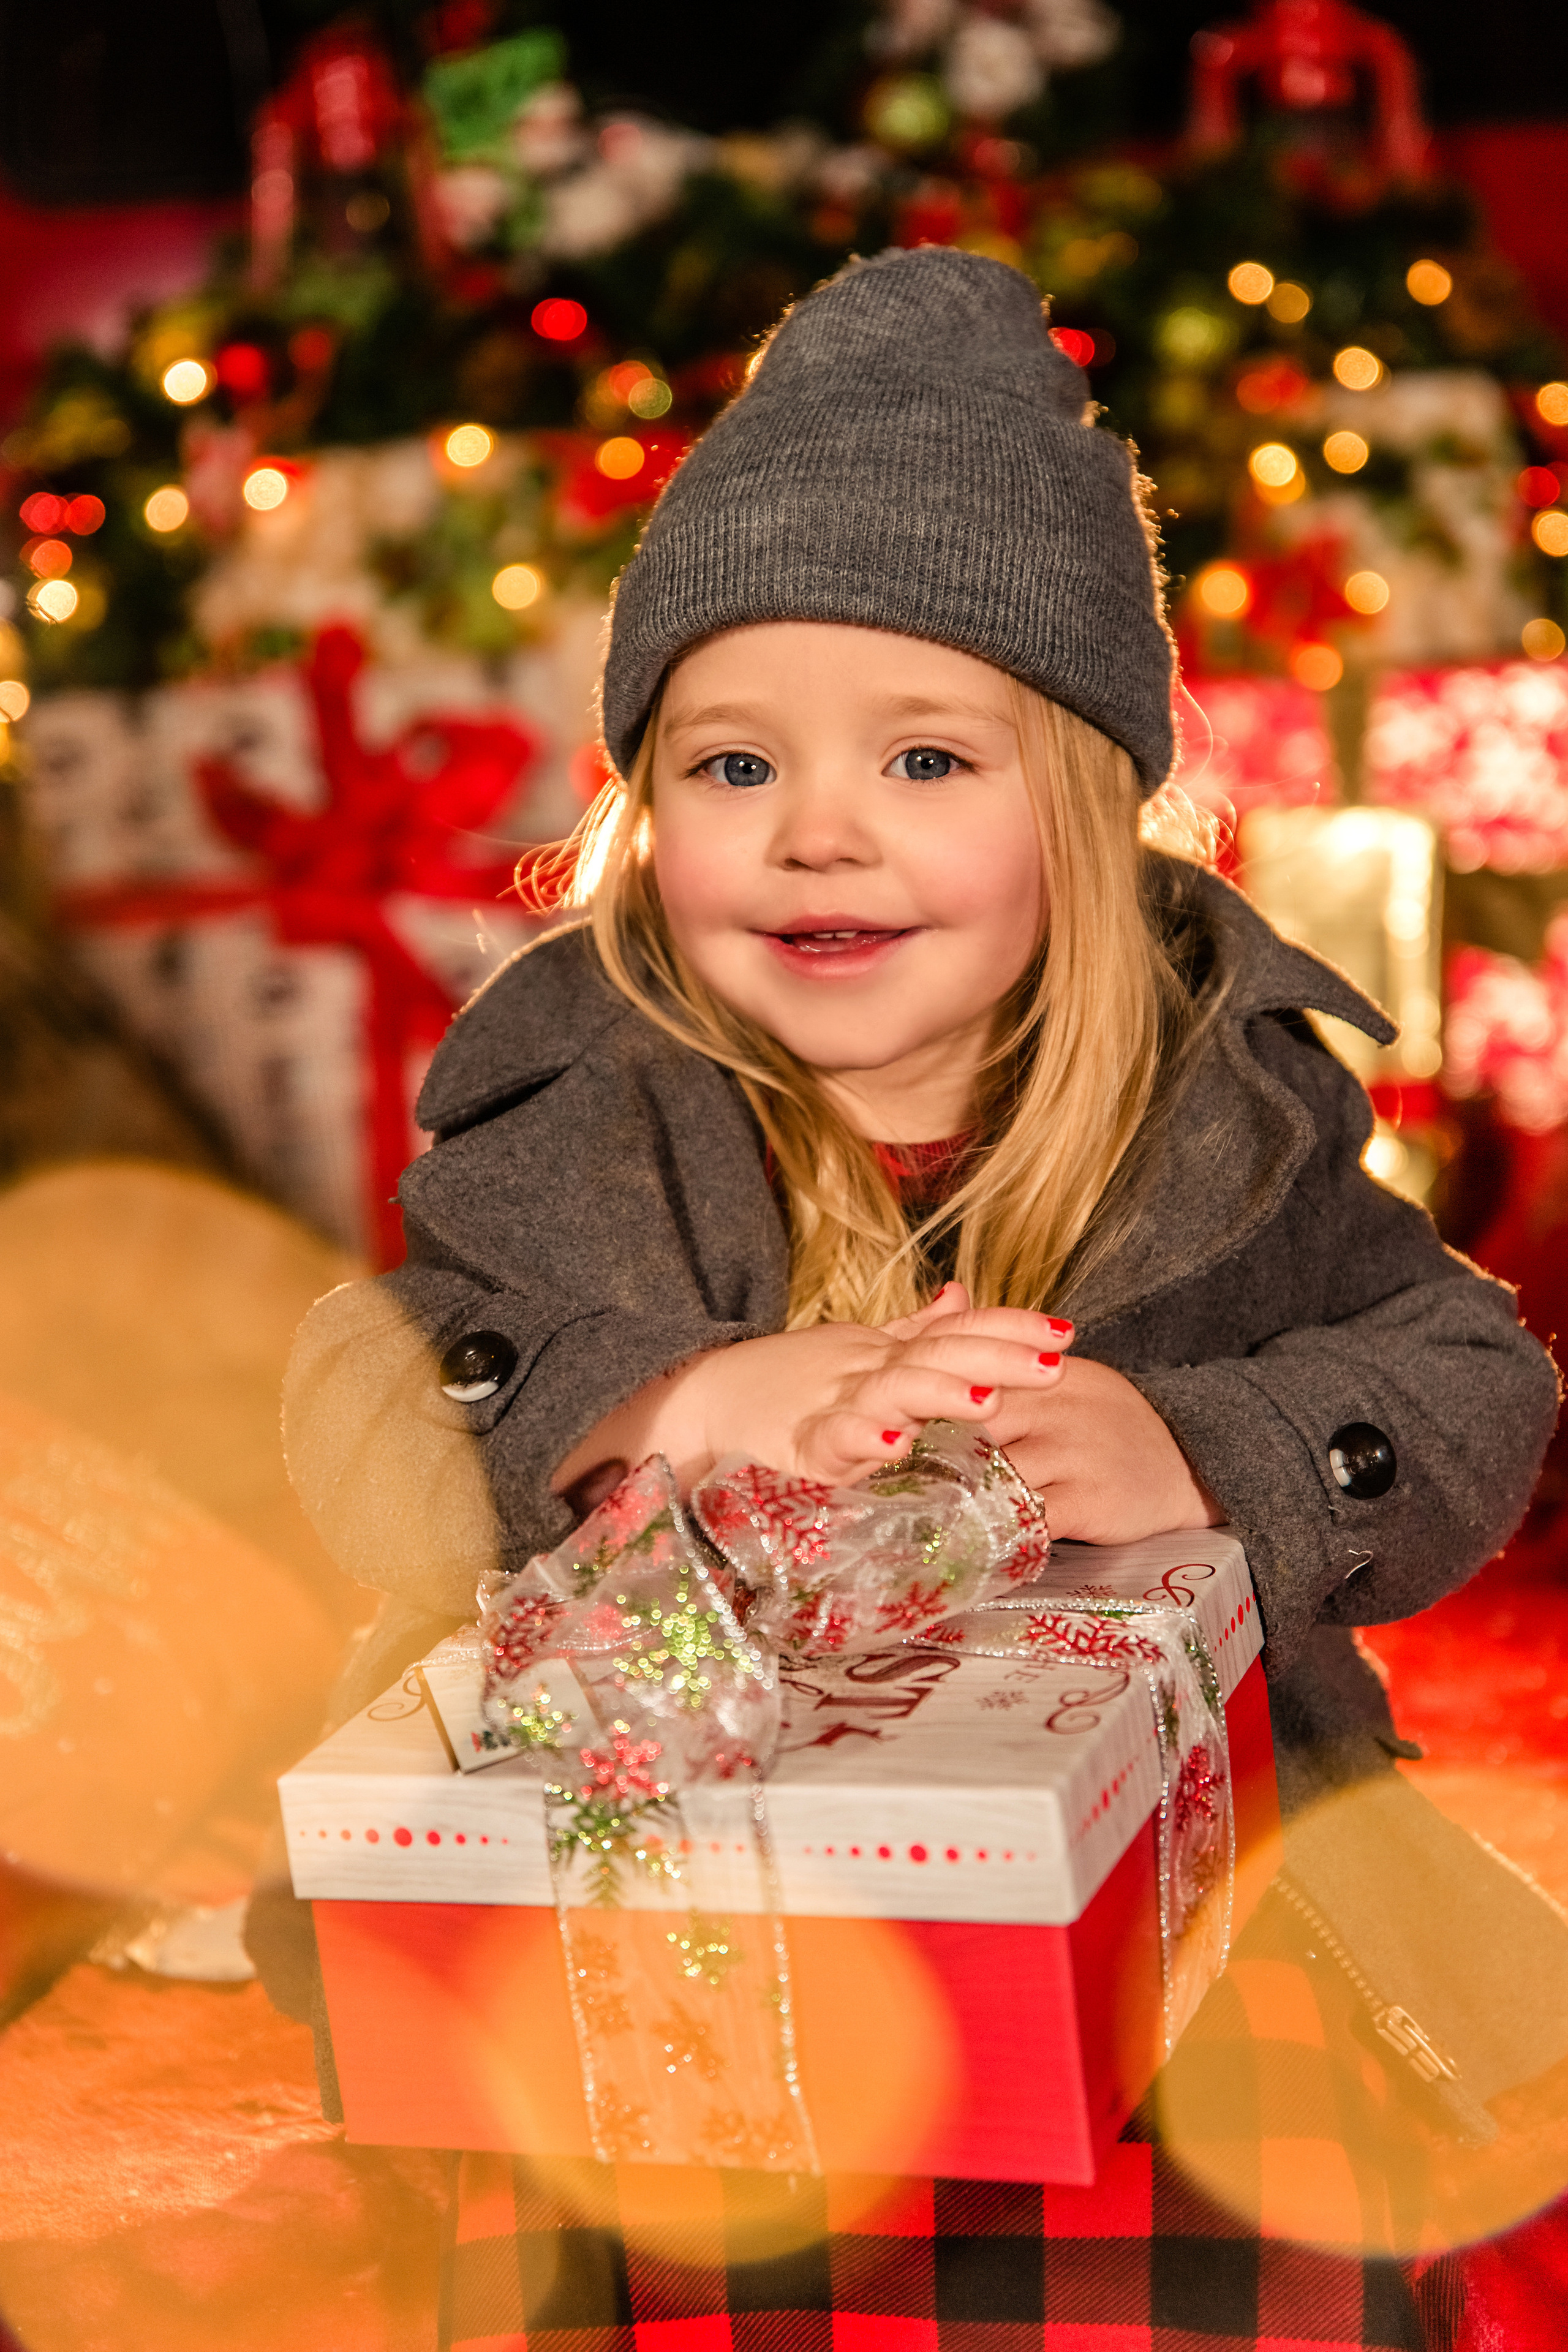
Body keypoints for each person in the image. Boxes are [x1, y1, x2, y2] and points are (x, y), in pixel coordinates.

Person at [276, 247, 1564, 2348]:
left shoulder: (1211, 1109)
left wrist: (1205, 1449)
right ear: (644, 804)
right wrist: (670, 1402)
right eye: (735, 766)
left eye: (926, 764)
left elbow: (1464, 1369)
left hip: (1180, 1908)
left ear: (1075, 802)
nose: (817, 841)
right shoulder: (585, 1104)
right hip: (690, 1917)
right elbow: (366, 1382)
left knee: (1261, 2184)